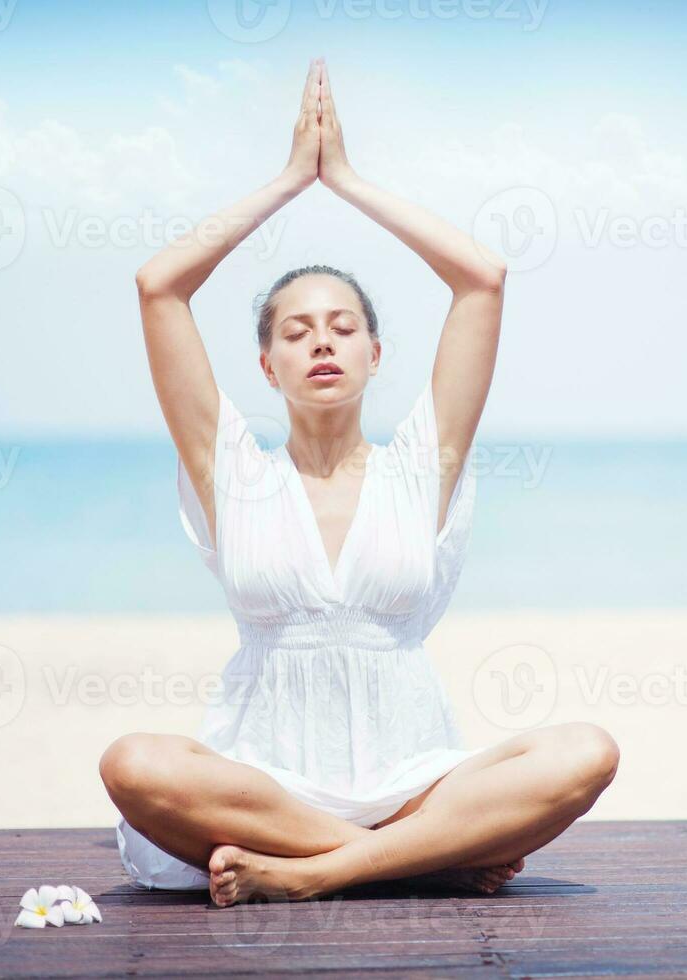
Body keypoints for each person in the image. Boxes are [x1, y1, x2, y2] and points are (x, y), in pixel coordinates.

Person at [98, 57, 619, 908]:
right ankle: (416, 863)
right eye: (297, 332)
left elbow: (482, 279)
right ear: (267, 366)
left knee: (586, 750)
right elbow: (160, 287)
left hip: (416, 784)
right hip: (264, 791)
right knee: (134, 764)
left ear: (377, 355)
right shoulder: (231, 472)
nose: (323, 342)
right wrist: (285, 182)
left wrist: (344, 180)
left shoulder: (423, 467)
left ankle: (327, 873)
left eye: (344, 327)